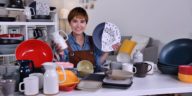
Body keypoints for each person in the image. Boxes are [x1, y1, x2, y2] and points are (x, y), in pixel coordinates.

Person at [56, 7, 120, 72]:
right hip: (73, 79)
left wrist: (107, 50)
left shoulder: (94, 40)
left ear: (86, 24)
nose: (78, 25)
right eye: (75, 21)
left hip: (92, 79)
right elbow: (62, 69)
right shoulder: (64, 43)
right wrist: (61, 54)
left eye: (82, 21)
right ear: (69, 23)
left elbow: (98, 63)